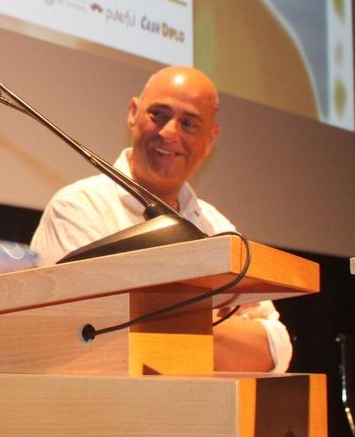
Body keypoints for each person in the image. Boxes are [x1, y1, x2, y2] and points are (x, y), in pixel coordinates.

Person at [29, 66, 292, 372]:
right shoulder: (78, 208)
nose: (169, 133)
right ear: (133, 113)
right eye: (158, 115)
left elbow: (277, 350)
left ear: (210, 139)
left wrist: (160, 321)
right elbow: (85, 340)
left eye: (189, 123)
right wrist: (215, 320)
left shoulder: (217, 227)